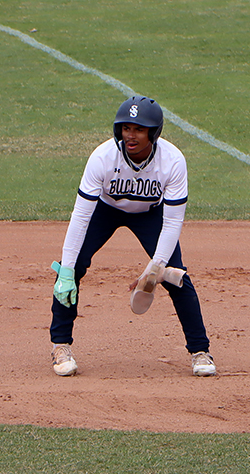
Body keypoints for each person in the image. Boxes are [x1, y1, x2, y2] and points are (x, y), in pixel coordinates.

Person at [49, 95, 216, 377]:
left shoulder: (172, 161)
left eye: (139, 129)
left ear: (154, 132)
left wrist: (156, 268)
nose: (131, 135)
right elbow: (80, 216)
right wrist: (66, 269)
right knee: (72, 268)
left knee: (175, 275)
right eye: (126, 128)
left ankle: (200, 351)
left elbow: (173, 220)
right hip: (106, 209)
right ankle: (60, 345)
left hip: (151, 214)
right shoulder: (102, 157)